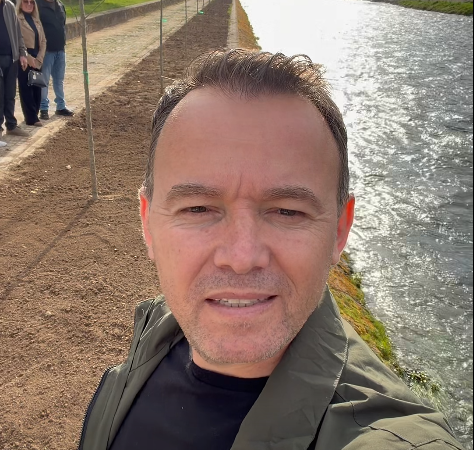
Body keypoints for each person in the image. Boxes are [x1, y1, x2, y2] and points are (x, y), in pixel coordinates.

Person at [78, 50, 463, 450]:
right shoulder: (157, 330)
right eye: (197, 208)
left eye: (287, 211)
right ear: (147, 223)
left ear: (339, 230)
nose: (241, 258)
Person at [36, 0, 73, 120]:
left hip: (60, 49)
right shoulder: (38, 5)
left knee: (59, 80)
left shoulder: (60, 5)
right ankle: (43, 108)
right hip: (46, 51)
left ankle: (61, 106)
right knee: (44, 81)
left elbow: (63, 24)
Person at [0, 0, 29, 139]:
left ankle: (11, 125)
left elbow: (18, 33)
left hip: (12, 58)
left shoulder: (9, 6)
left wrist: (22, 53)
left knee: (10, 94)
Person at [16, 0, 46, 127]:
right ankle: (31, 118)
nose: (29, 4)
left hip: (37, 59)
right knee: (26, 89)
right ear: (20, 3)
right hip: (24, 59)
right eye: (25, 1)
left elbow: (43, 41)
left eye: (31, 2)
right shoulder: (17, 20)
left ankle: (35, 114)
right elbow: (17, 40)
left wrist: (39, 59)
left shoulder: (36, 20)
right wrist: (29, 59)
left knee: (37, 87)